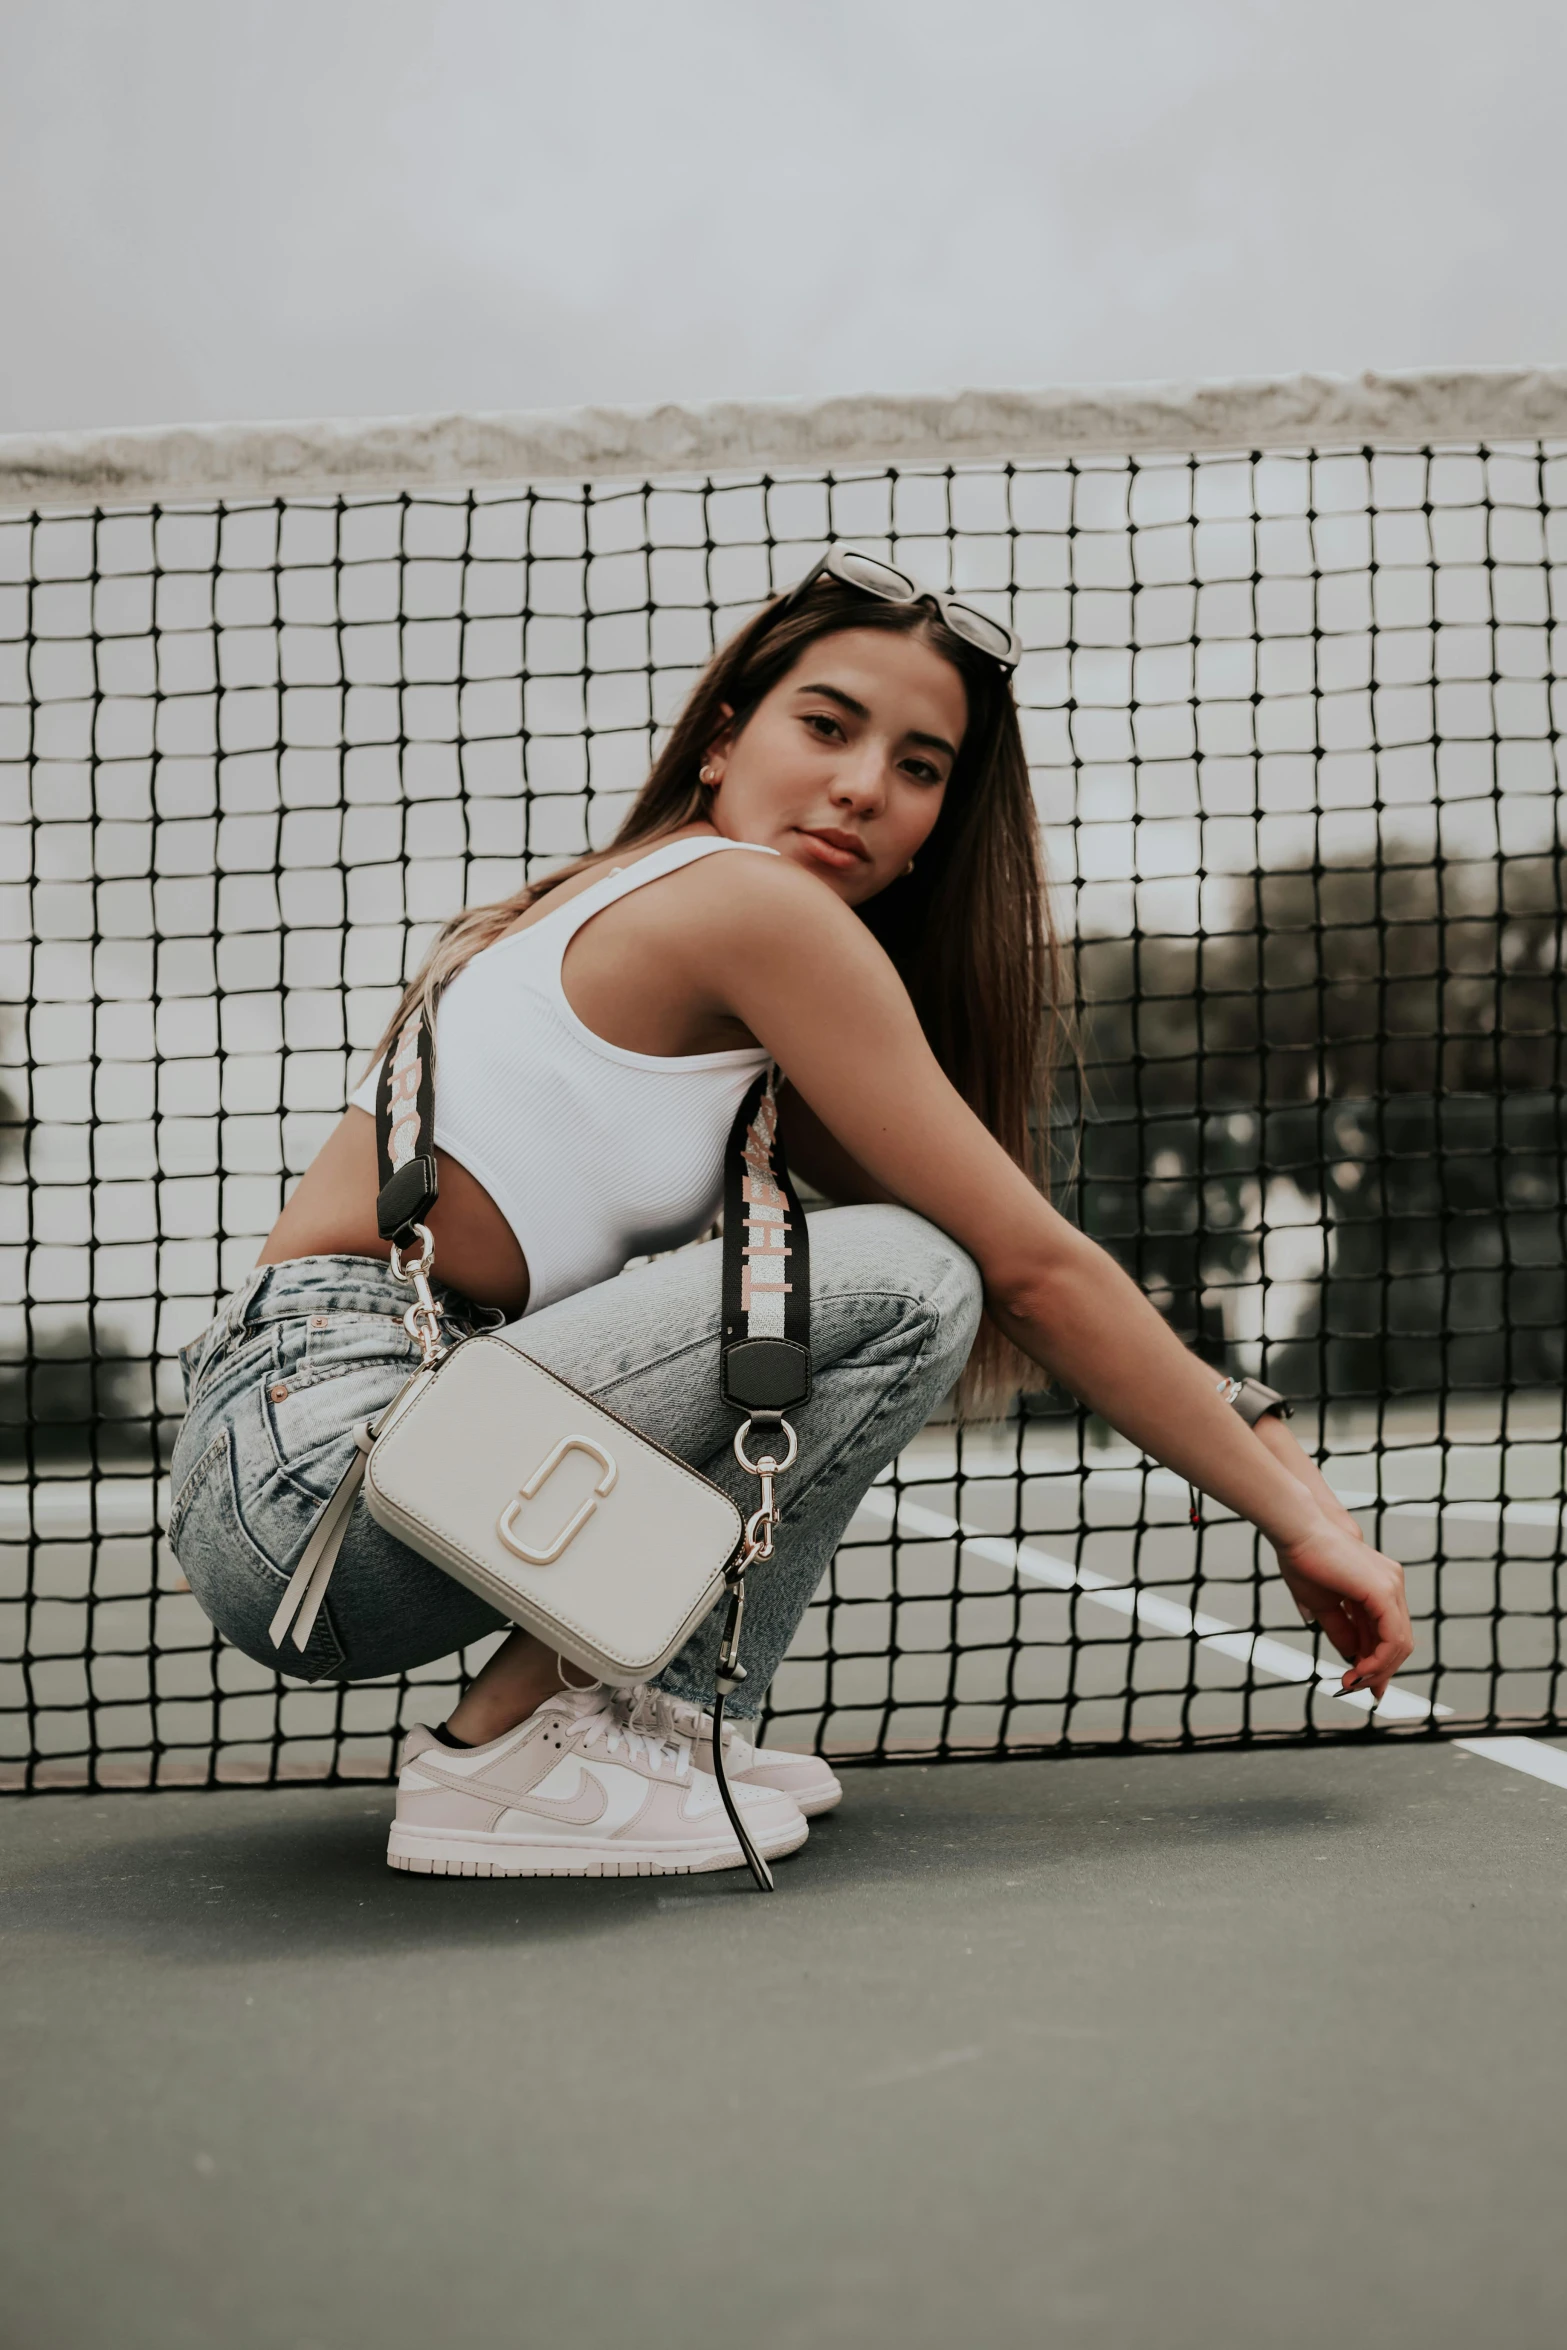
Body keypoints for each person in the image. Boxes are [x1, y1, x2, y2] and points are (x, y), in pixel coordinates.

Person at [167, 549, 1413, 1880]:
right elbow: (1015, 1271)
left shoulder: (652, 916)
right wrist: (1299, 1523)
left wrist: (1257, 1434)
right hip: (330, 1473)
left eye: (920, 766)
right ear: (722, 739)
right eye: (826, 725)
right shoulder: (749, 903)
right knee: (910, 1277)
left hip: (318, 1469)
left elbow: (1025, 1268)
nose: (864, 785)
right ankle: (571, 1739)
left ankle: (586, 1729)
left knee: (898, 1269)